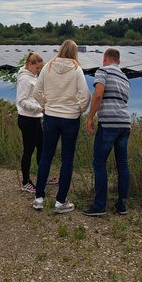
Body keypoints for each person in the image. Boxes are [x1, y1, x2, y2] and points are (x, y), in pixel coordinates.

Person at [32, 40, 90, 214]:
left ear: (60, 50)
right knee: (67, 159)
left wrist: (45, 105)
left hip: (51, 117)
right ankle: (60, 201)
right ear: (74, 52)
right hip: (70, 119)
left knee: (46, 156)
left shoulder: (47, 67)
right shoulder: (76, 69)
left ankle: (39, 199)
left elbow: (36, 92)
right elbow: (86, 95)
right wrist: (78, 110)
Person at [83, 48, 131, 216]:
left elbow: (98, 94)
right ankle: (122, 205)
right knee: (123, 164)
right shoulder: (125, 78)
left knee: (99, 163)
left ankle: (99, 206)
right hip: (125, 124)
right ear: (118, 61)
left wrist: (90, 118)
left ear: (105, 59)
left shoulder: (102, 70)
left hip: (109, 124)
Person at [16, 52, 45, 193]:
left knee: (42, 146)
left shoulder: (32, 76)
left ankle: (43, 175)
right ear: (30, 65)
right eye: (37, 68)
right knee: (28, 150)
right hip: (27, 120)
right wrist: (40, 108)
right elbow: (21, 101)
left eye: (40, 68)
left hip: (35, 118)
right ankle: (25, 182)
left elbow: (34, 96)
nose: (38, 70)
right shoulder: (25, 79)